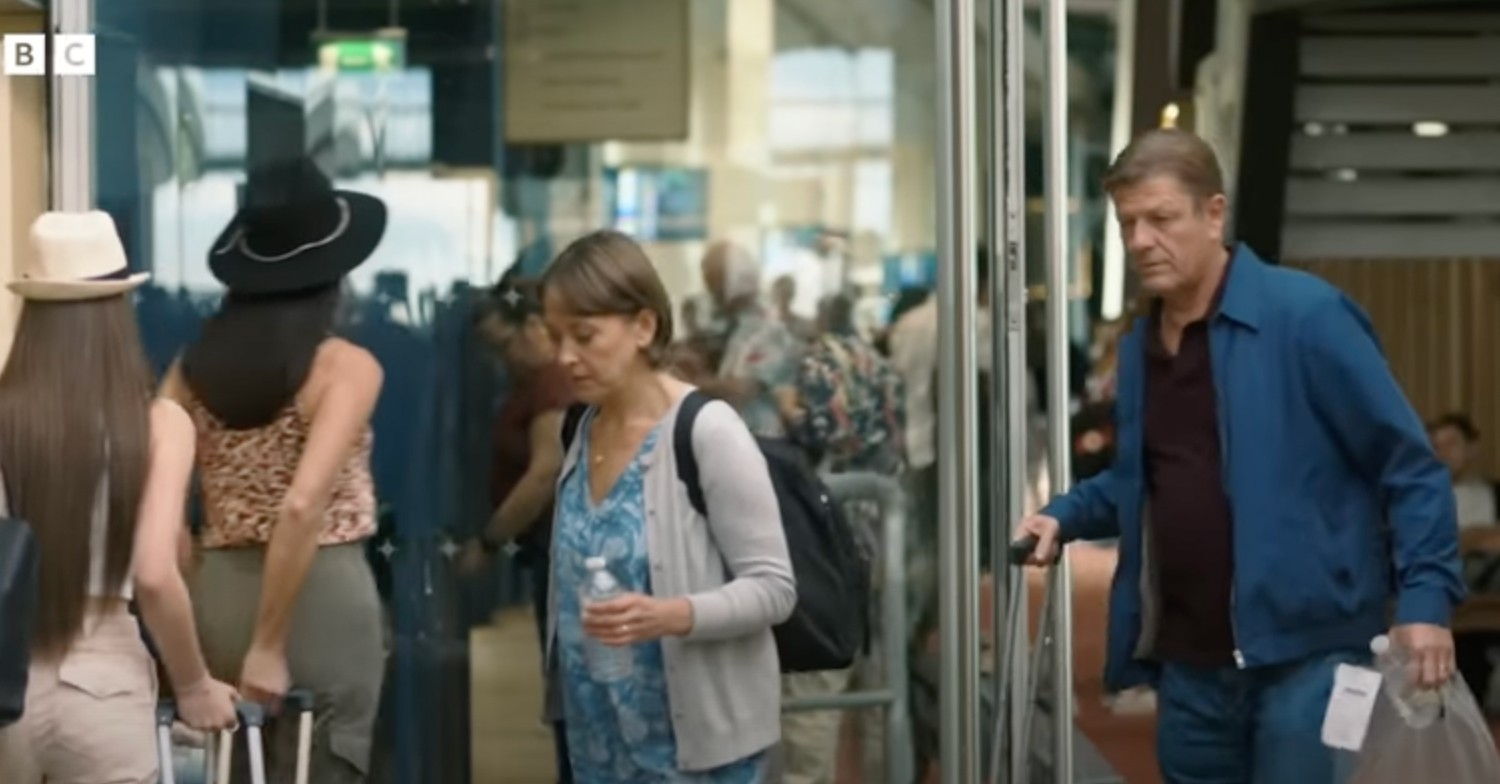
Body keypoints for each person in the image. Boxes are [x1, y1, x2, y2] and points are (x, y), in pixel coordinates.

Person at [1012, 128, 1463, 783]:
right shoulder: (1141, 349)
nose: (1140, 240)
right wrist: (1065, 514)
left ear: (1214, 213)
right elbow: (1151, 479)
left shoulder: (1307, 316)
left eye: (1160, 219)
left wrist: (1426, 601)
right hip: (1190, 666)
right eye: (1127, 222)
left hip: (1310, 658)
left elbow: (1410, 468)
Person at [161, 156, 388, 782]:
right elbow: (301, 504)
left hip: (219, 589)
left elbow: (164, 514)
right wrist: (270, 640)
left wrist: (196, 582)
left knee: (233, 762)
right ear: (333, 273)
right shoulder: (346, 367)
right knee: (327, 759)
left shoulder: (188, 369)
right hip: (321, 591)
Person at [540, 229, 795, 781]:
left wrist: (674, 615)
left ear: (643, 326)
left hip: (694, 756)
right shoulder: (581, 430)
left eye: (584, 335)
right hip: (595, 746)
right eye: (555, 337)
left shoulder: (707, 431)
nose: (566, 357)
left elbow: (775, 588)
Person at [0, 212, 238, 783]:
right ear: (117, 313)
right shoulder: (157, 425)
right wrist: (194, 685)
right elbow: (155, 573)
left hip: (5, 682)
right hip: (104, 682)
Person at [463, 270, 575, 782]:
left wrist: (489, 538)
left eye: (501, 344)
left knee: (572, 693)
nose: (498, 359)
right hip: (549, 554)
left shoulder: (551, 382)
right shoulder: (533, 382)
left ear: (533, 327)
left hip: (561, 555)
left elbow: (545, 471)